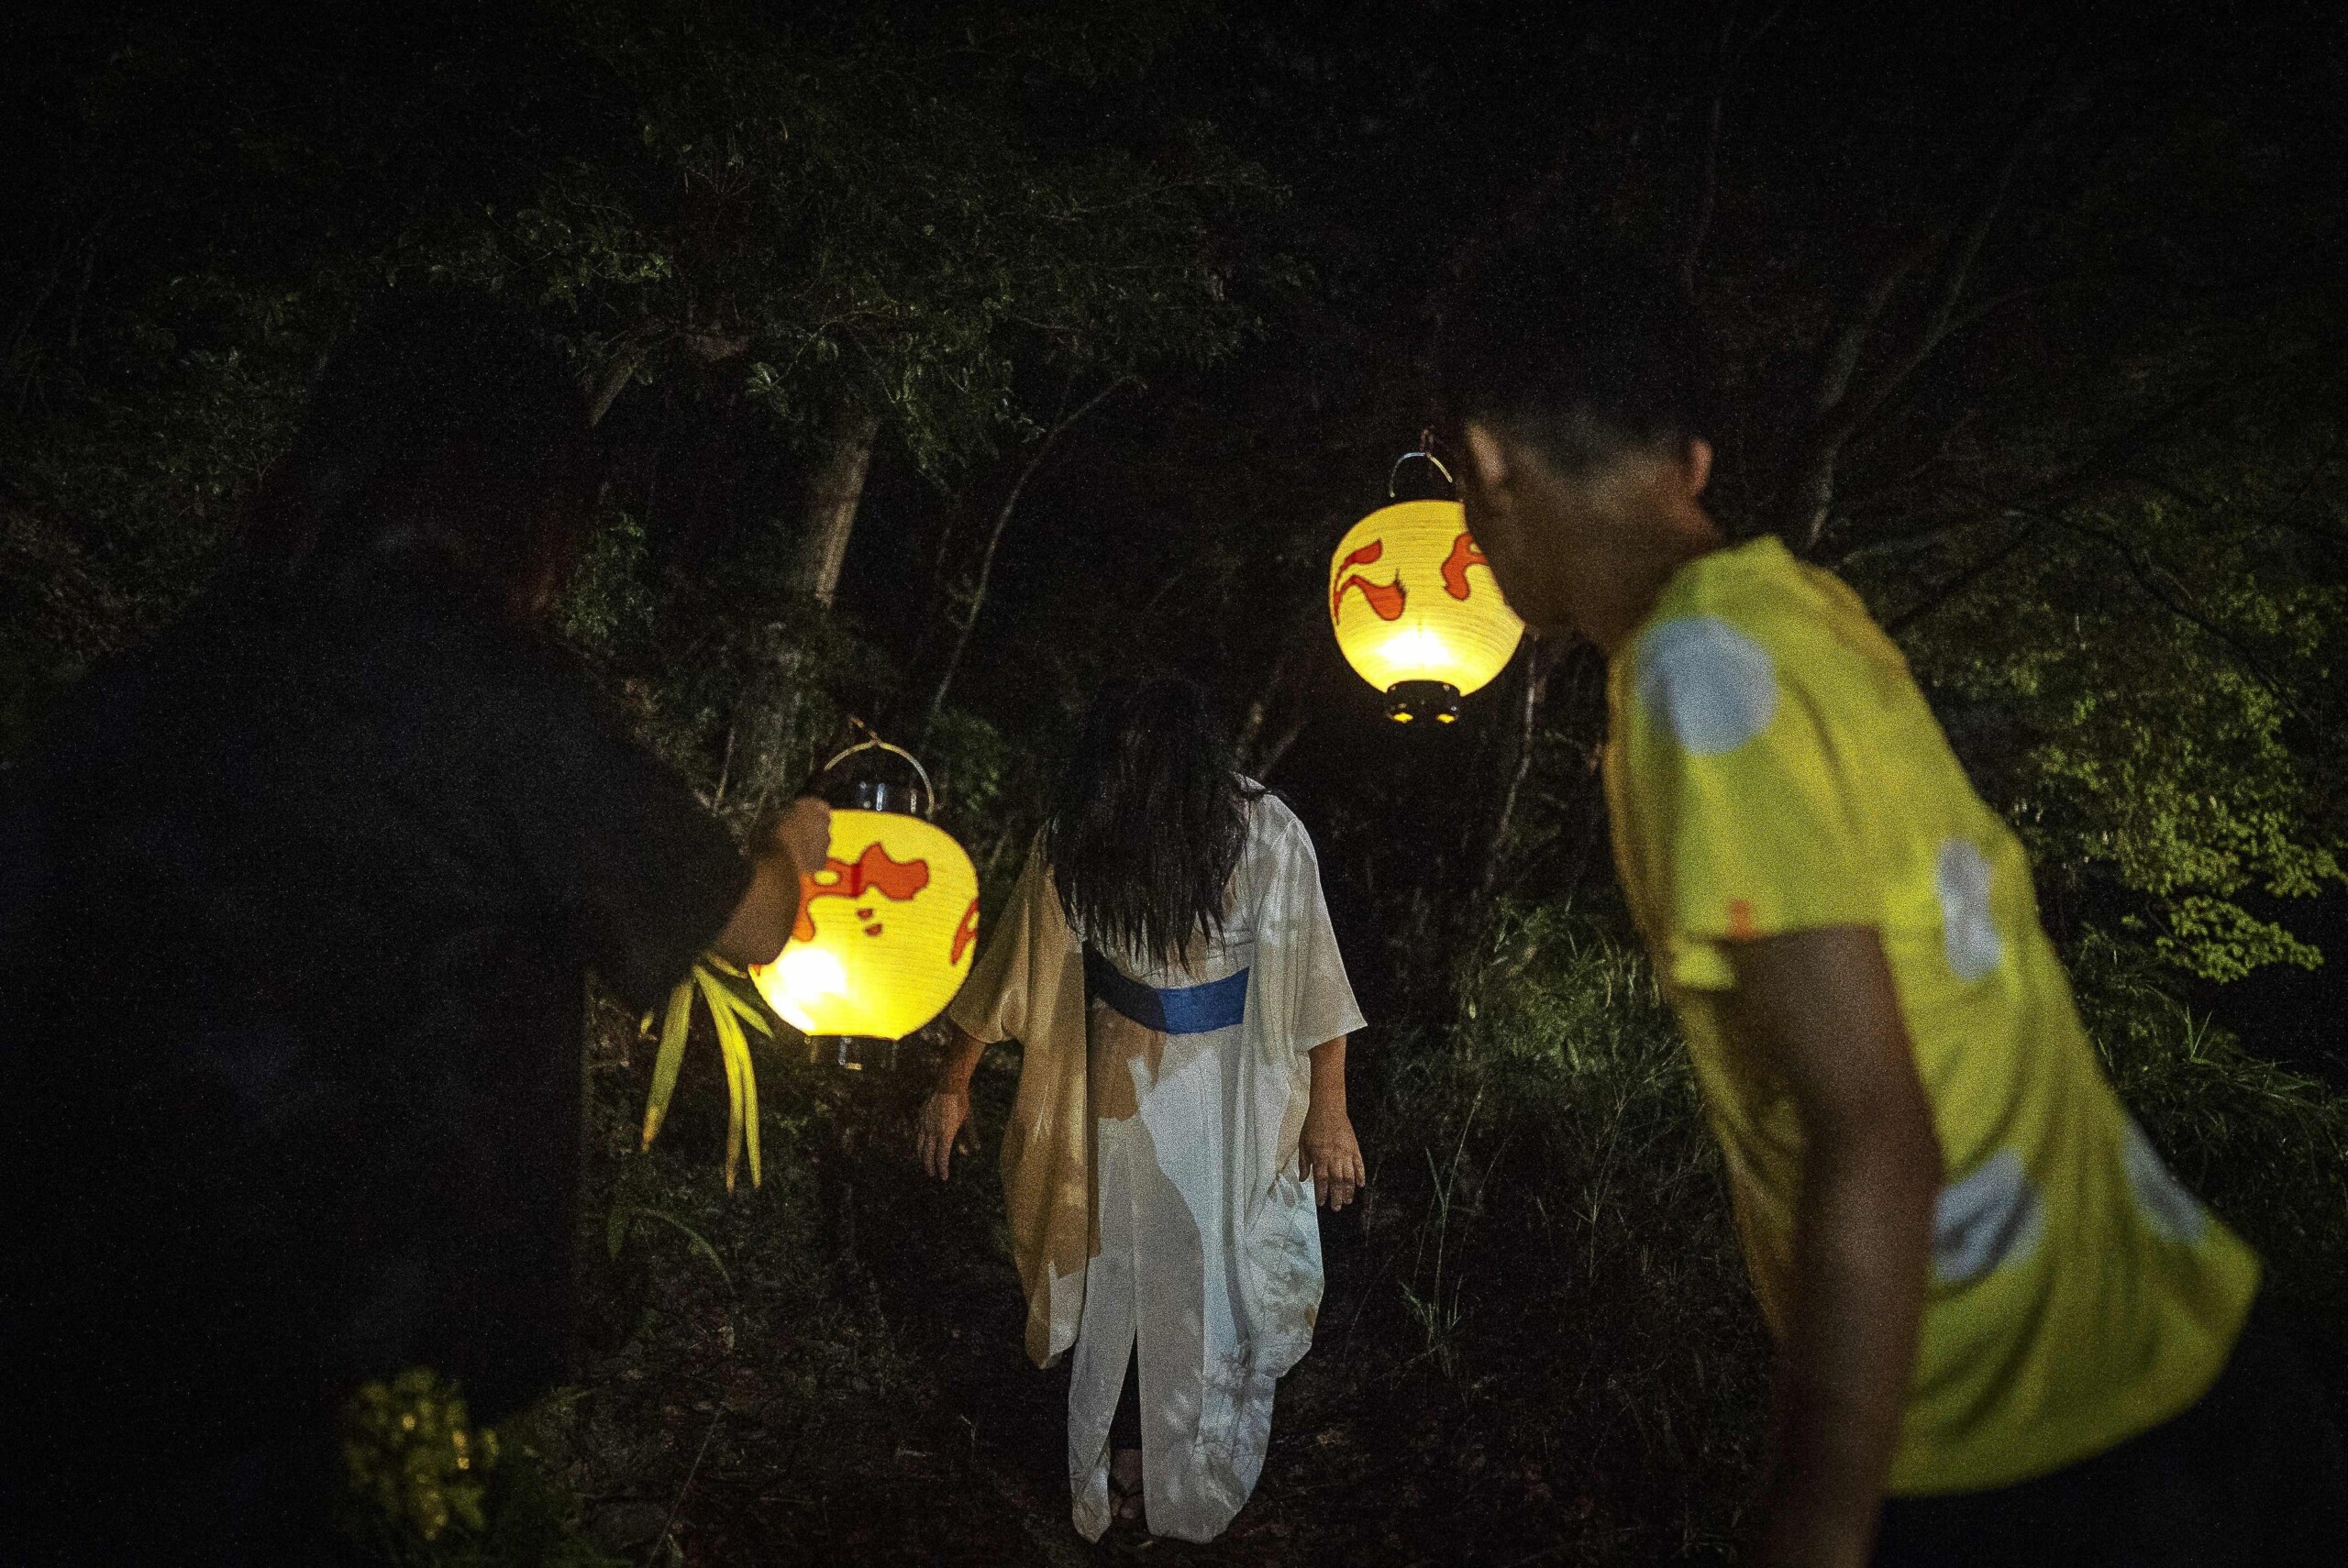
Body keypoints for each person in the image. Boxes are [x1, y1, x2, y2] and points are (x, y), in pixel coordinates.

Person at [1434, 242, 2348, 1567]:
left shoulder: (1696, 679)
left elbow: (1875, 1129)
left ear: (1486, 459)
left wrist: (1815, 1516)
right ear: (1691, 461)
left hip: (2036, 1445)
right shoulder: (1802, 616)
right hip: (2176, 1359)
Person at [0, 291, 827, 1563]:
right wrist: (798, 841)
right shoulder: (497, 707)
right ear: (522, 504)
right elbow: (746, 921)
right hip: (344, 1358)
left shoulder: (153, 684)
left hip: (91, 1333)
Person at [914, 676, 1367, 1543]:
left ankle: (1184, 1475)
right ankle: (1113, 1454)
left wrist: (1329, 1114)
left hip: (1232, 1090)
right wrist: (952, 1080)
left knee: (1214, 1273)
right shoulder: (1081, 835)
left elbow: (1316, 978)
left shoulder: (1266, 832)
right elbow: (1019, 965)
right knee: (1114, 1264)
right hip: (1116, 1087)